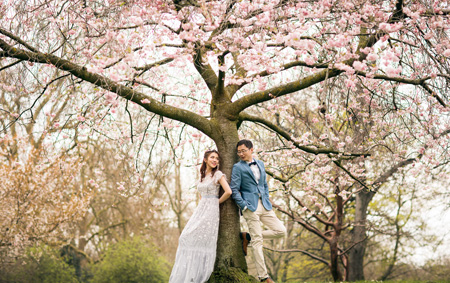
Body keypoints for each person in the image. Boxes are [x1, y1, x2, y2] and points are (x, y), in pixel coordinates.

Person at [169, 150, 232, 283]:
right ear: (205, 159)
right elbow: (201, 193)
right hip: (200, 209)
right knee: (184, 237)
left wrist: (216, 202)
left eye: (217, 159)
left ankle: (199, 275)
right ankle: (188, 275)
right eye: (212, 158)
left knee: (200, 240)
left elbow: (228, 191)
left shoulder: (218, 174)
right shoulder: (203, 175)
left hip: (211, 210)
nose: (215, 160)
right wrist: (203, 202)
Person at [230, 140, 286, 283]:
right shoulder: (238, 167)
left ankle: (248, 237)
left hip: (265, 205)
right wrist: (244, 206)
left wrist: (266, 198)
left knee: (281, 231)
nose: (241, 154)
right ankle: (263, 277)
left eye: (243, 150)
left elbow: (264, 184)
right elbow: (234, 189)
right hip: (250, 207)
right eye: (239, 151)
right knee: (258, 243)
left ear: (251, 149)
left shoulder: (260, 164)